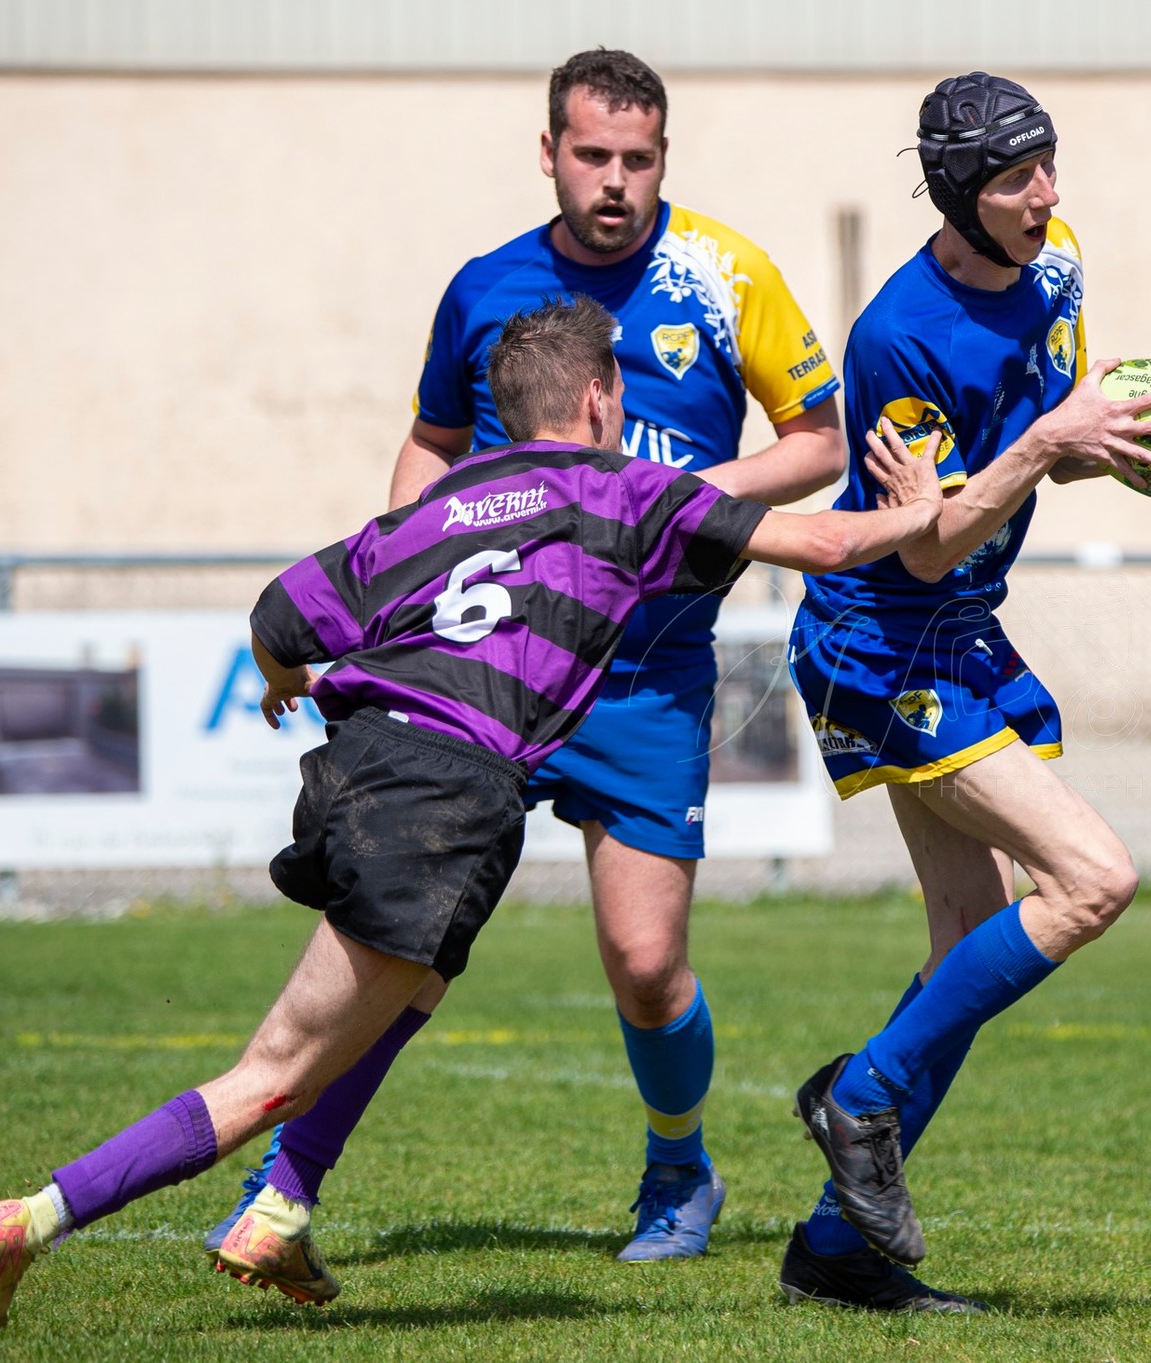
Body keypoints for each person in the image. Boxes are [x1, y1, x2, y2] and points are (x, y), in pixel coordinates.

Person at [0, 295, 940, 1329]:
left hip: (359, 769)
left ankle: (281, 1209)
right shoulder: (620, 489)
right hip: (448, 797)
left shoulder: (438, 505)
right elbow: (825, 545)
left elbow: (279, 615)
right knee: (271, 1074)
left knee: (412, 989)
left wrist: (282, 678)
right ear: (600, 399)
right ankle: (35, 1216)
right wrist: (928, 502)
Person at [208, 49, 846, 1269]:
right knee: (411, 946)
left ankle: (677, 1169)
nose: (615, 181)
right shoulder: (485, 287)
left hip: (647, 673)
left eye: (639, 159)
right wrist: (395, 581)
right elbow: (431, 447)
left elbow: (817, 442)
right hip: (488, 677)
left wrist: (679, 496)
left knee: (646, 962)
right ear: (547, 150)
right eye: (592, 155)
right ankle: (284, 1187)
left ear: (665, 157)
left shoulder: (726, 275)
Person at [776, 72, 1151, 1314]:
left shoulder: (1055, 266)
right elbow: (924, 542)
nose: (1046, 194)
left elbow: (1034, 461)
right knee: (1092, 879)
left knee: (969, 940)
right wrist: (1047, 444)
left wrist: (1094, 444)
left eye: (1048, 164)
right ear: (958, 191)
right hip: (881, 639)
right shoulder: (898, 333)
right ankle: (857, 1097)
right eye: (1016, 177)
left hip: (955, 638)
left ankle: (834, 1255)